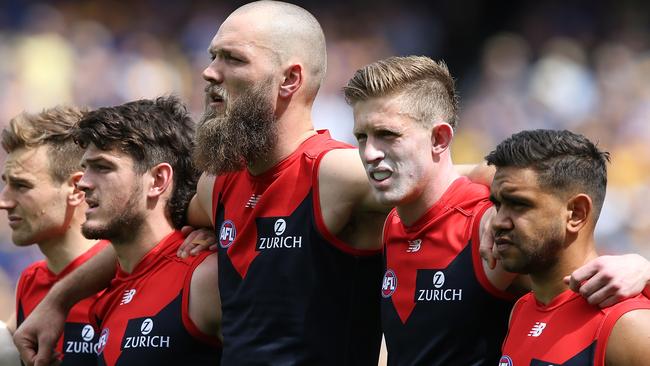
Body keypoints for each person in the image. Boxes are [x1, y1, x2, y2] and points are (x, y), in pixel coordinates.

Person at [12, 3, 650, 366]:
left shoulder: (337, 174)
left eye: (232, 60)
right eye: (211, 56)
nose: (209, 73)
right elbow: (143, 229)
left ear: (288, 81)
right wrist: (56, 300)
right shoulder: (224, 187)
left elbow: (493, 183)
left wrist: (634, 262)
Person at [343, 55, 650, 365]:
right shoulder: (391, 221)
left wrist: (642, 268)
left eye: (387, 135)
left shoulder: (485, 227)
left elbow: (575, 256)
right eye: (361, 137)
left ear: (439, 138)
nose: (369, 153)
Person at [71, 96, 221, 365]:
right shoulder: (108, 293)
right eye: (85, 168)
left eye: (103, 167)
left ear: (157, 180)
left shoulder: (205, 276)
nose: (82, 183)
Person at [490, 129, 650, 365]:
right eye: (498, 205)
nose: (497, 222)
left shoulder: (627, 325)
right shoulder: (522, 309)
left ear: (576, 213)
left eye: (519, 204)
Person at [0, 106, 112, 365]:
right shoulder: (30, 280)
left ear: (75, 188)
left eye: (21, 186)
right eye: (5, 183)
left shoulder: (121, 274)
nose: (4, 201)